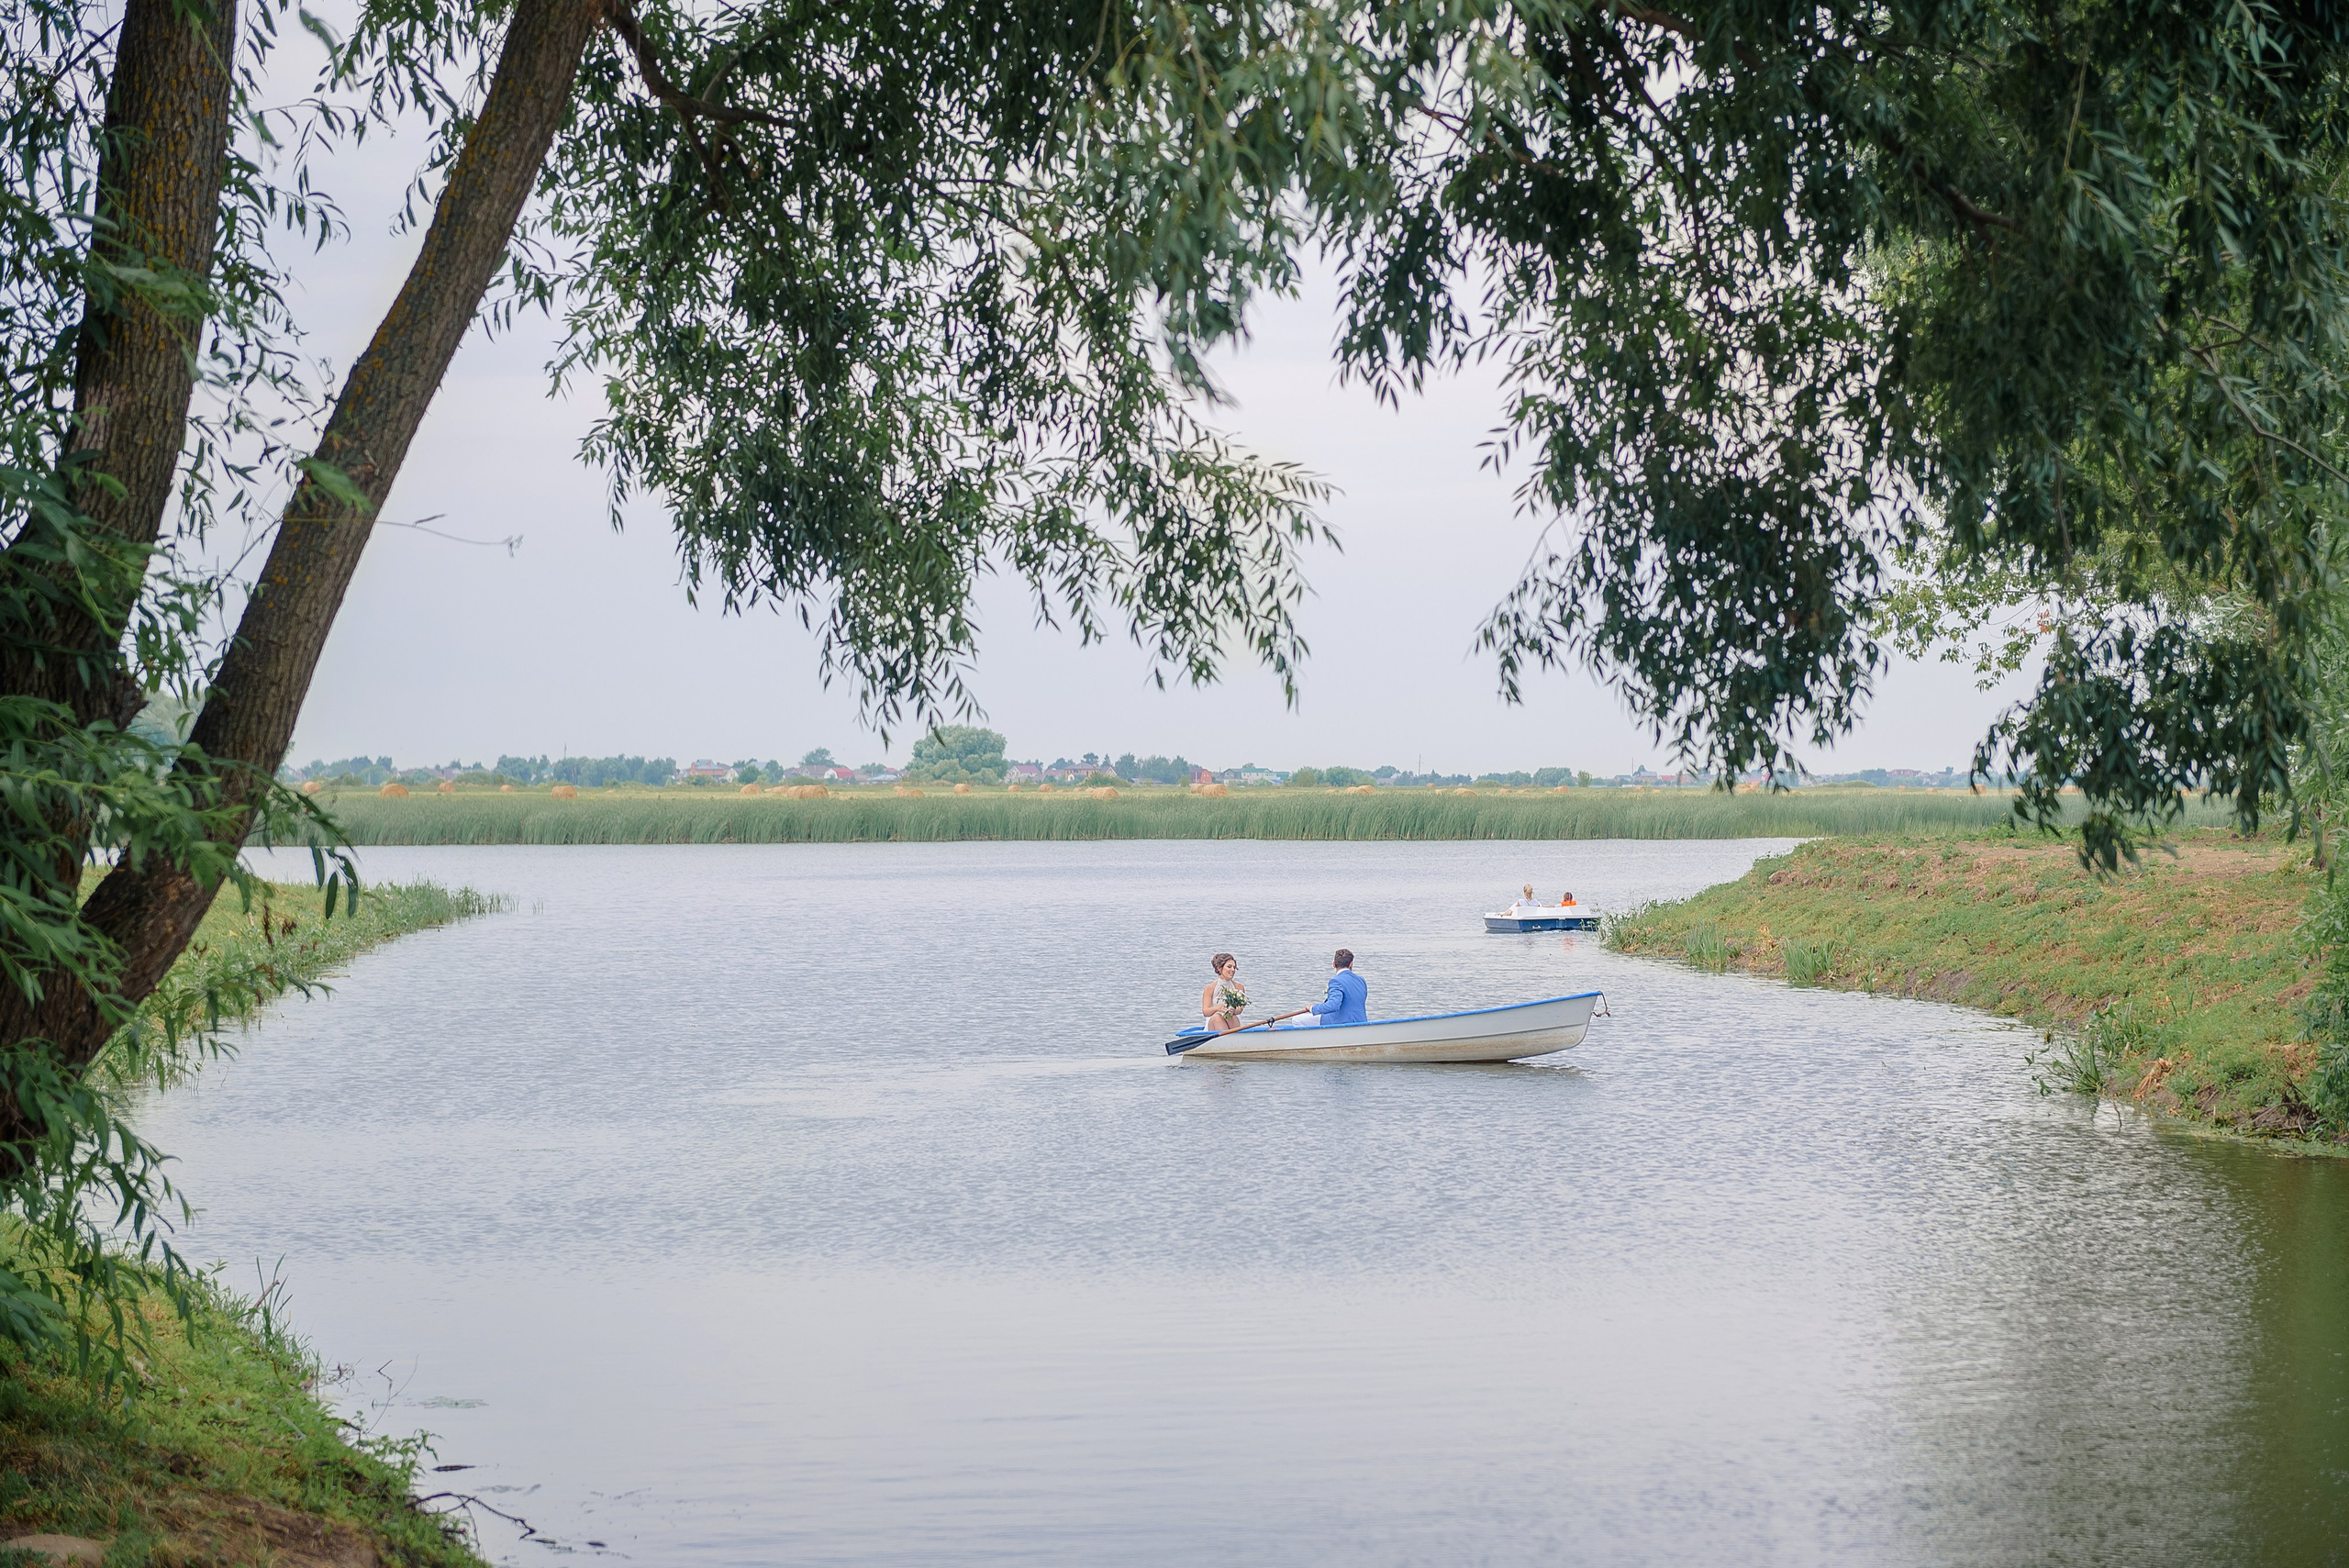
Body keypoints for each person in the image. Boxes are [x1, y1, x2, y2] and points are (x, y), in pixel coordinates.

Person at [1287, 948, 1368, 1028]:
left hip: (1339, 1021)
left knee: (1297, 1020)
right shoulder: (1361, 980)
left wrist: (1312, 1008)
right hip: (1361, 1022)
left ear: (1334, 964)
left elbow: (1333, 1005)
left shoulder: (1336, 981)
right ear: (1351, 964)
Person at [1200, 953, 1248, 1032]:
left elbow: (1240, 1009)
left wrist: (1234, 1010)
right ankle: (1226, 1040)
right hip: (1213, 1024)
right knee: (1217, 1017)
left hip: (1233, 1022)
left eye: (1234, 967)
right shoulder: (1210, 988)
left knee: (1229, 1016)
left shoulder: (1239, 987)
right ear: (1219, 968)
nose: (1233, 970)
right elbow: (1206, 1012)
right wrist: (1218, 1008)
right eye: (1229, 967)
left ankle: (1234, 1040)